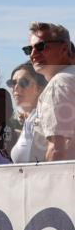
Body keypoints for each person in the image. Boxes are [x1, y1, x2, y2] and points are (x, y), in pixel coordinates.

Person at [27, 22, 75, 162]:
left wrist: (49, 183)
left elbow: (57, 149)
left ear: (64, 48)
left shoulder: (59, 83)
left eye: (41, 46)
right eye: (28, 49)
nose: (33, 54)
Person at [8, 62, 48, 163]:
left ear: (39, 88)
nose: (16, 87)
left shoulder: (44, 118)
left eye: (23, 83)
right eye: (13, 83)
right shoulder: (30, 119)